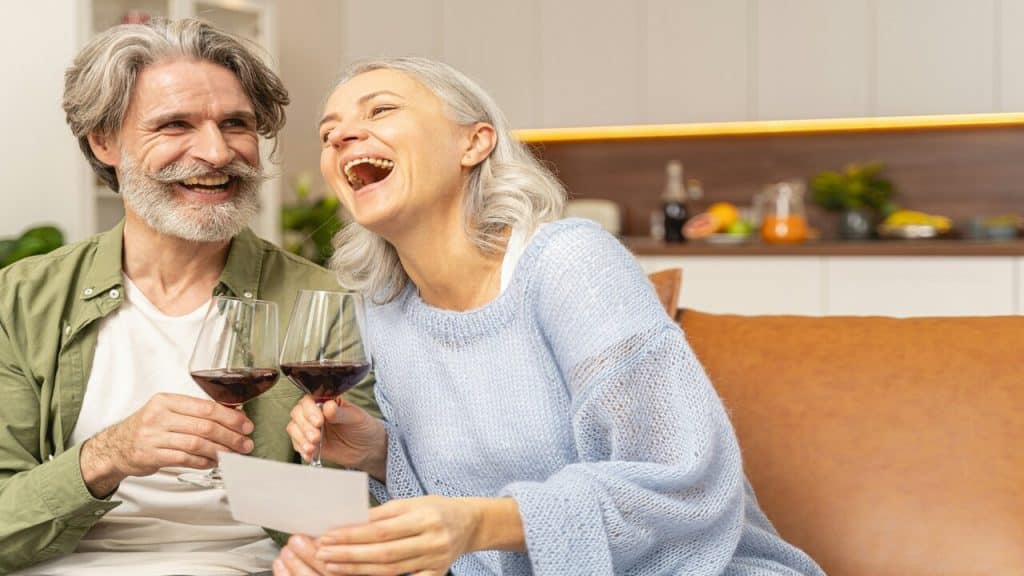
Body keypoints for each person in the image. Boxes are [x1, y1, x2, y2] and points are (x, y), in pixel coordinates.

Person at [274, 56, 824, 576]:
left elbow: (681, 479)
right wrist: (380, 453)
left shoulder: (570, 262)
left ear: (474, 142)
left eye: (381, 110)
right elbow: (455, 523)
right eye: (327, 133)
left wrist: (481, 523)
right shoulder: (386, 311)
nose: (342, 136)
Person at [0, 18, 376, 575]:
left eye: (236, 123)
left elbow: (365, 511)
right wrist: (109, 454)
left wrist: (346, 491)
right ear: (104, 141)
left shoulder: (322, 301)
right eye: (175, 124)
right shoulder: (21, 300)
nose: (217, 152)